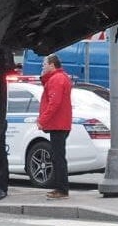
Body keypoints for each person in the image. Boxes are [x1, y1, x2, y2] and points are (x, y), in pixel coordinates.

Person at [37, 53, 73, 200]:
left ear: (52, 65)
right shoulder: (60, 77)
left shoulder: (56, 79)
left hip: (58, 124)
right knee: (57, 156)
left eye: (44, 65)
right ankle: (61, 188)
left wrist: (42, 120)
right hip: (61, 123)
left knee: (58, 157)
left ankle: (62, 189)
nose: (43, 67)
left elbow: (54, 102)